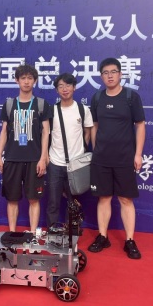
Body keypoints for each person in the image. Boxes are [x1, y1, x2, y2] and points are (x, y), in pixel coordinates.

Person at [88, 57, 146, 259]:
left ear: (120, 74)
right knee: (103, 198)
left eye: (113, 72)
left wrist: (138, 154)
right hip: (101, 158)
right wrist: (96, 150)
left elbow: (140, 125)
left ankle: (129, 240)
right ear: (101, 76)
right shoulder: (97, 98)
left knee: (125, 199)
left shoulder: (131, 97)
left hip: (125, 157)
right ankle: (103, 236)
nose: (110, 76)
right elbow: (94, 126)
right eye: (105, 73)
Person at [0, 64, 51, 232]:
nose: (26, 82)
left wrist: (43, 157)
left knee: (34, 199)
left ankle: (33, 234)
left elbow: (46, 132)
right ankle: (12, 232)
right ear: (17, 80)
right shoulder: (9, 104)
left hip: (34, 159)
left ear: (35, 81)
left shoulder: (41, 104)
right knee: (12, 199)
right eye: (23, 78)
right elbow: (4, 132)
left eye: (30, 78)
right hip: (12, 158)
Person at [46, 73, 93, 230]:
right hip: (55, 162)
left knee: (74, 202)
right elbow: (46, 134)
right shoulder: (51, 111)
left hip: (76, 165)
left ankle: (71, 233)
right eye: (61, 86)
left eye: (68, 85)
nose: (65, 89)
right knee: (53, 202)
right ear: (56, 90)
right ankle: (52, 232)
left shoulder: (82, 109)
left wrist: (80, 153)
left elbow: (87, 132)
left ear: (74, 87)